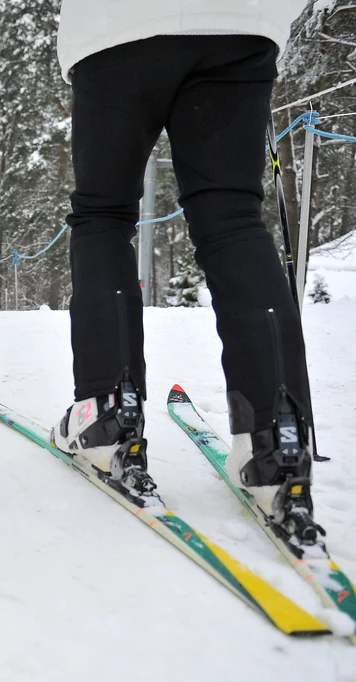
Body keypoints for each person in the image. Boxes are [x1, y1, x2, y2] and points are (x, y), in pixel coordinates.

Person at [48, 1, 318, 538]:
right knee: (234, 218)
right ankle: (275, 438)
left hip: (116, 25)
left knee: (103, 215)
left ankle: (107, 416)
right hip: (245, 21)